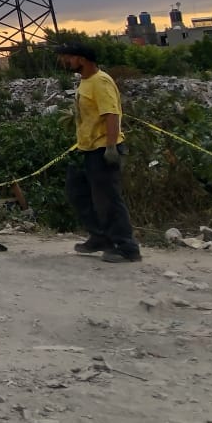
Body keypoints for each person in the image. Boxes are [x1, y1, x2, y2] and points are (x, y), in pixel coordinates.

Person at [55, 43, 141, 263]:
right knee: (77, 191)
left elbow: (111, 115)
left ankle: (127, 247)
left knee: (108, 199)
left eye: (68, 58)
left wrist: (111, 147)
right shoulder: (85, 82)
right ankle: (100, 237)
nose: (65, 62)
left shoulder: (100, 82)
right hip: (86, 148)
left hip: (103, 149)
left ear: (82, 59)